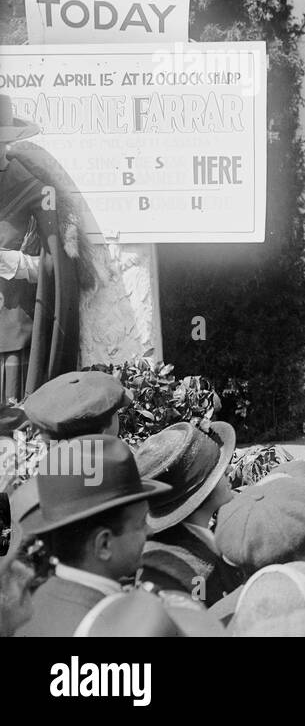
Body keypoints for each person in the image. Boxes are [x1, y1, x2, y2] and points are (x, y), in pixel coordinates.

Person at [15, 436, 169, 637]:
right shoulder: (114, 630)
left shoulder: (29, 605)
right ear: (103, 544)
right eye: (141, 523)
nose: (150, 531)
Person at [0, 94, 89, 404]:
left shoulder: (34, 191)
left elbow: (59, 267)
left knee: (12, 430)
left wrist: (15, 263)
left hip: (11, 329)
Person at [132, 420, 240, 607]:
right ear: (205, 489)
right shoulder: (197, 574)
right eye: (220, 470)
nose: (229, 471)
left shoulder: (157, 547)